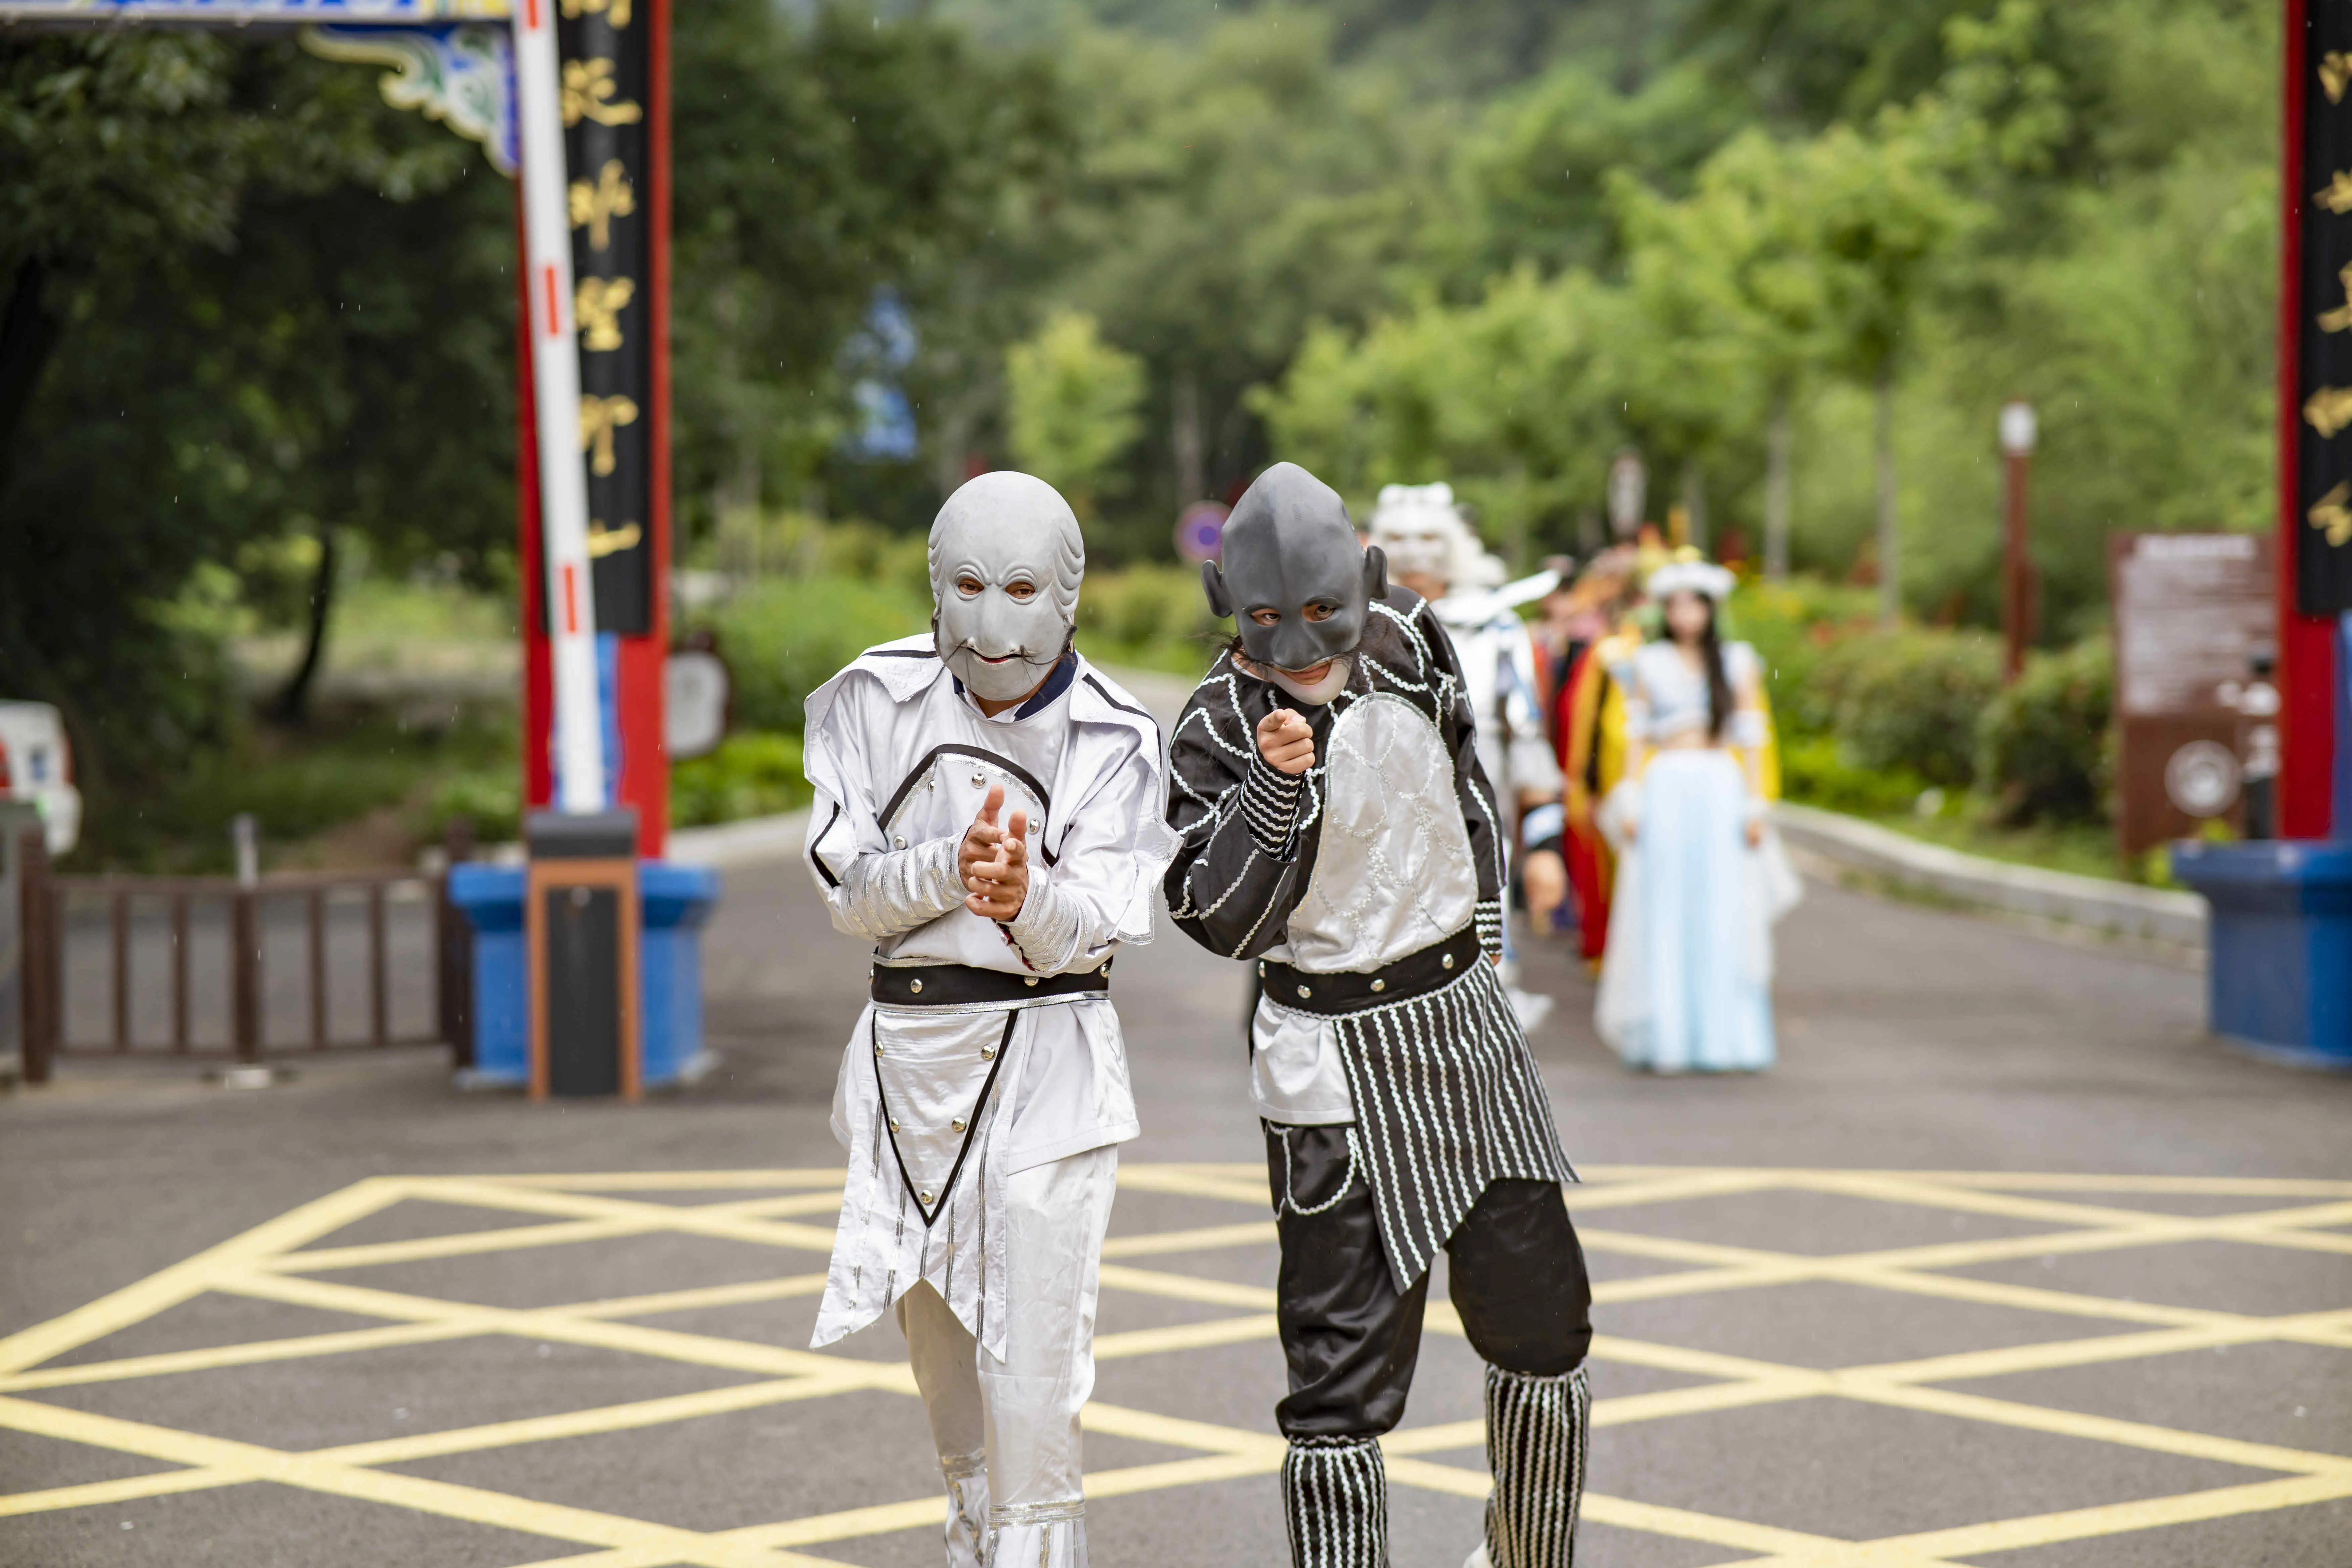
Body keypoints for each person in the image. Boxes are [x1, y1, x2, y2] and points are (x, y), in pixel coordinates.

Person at [1163, 463, 1592, 1568]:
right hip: (1330, 1061)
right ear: (1230, 607)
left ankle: (1525, 1562)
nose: (1301, 654)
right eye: (1268, 627)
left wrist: (1490, 959)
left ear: (1364, 582)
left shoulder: (1410, 636)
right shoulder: (1220, 718)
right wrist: (1270, 793)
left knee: (1545, 1332)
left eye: (1322, 619)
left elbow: (1465, 796)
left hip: (1463, 1027)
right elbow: (1216, 920)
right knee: (1337, 1385)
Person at [800, 471, 1175, 1568]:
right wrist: (946, 870)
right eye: (966, 585)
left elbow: (1104, 923)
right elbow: (847, 893)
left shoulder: (1112, 733)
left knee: (1034, 1374)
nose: (991, 622)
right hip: (906, 1069)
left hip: (1047, 1068)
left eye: (1020, 588)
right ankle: (974, 1535)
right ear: (932, 581)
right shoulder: (867, 701)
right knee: (946, 1370)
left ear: (1068, 597)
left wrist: (1025, 897)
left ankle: (1031, 1549)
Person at [1364, 483, 1568, 1019]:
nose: (1415, 550)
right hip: (1371, 831)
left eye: (1430, 535)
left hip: (1473, 825)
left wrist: (1547, 848)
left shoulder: (1497, 627)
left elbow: (1527, 741)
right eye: (1401, 537)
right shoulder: (1349, 623)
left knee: (1476, 993)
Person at [1592, 559, 1798, 1072]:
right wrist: (1631, 798)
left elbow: (1752, 737)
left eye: (1696, 604)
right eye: (1677, 605)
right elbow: (1636, 735)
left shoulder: (1736, 661)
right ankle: (1668, 1036)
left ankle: (1728, 1038)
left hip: (1718, 789)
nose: (1686, 615)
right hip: (1666, 789)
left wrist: (1755, 805)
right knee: (1665, 904)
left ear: (1711, 610)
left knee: (1722, 905)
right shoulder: (1648, 661)